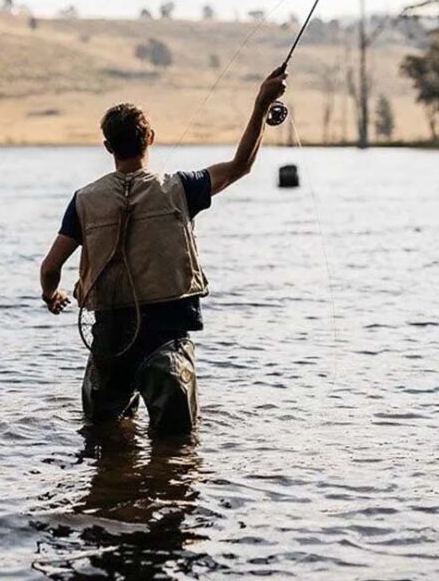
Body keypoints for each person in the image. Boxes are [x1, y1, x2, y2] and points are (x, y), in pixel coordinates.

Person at [39, 65, 288, 435]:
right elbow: (240, 166)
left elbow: (50, 267)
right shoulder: (181, 188)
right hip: (166, 342)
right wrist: (260, 107)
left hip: (110, 344)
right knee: (177, 452)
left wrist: (51, 294)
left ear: (108, 146)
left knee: (102, 443)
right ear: (151, 138)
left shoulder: (83, 201)